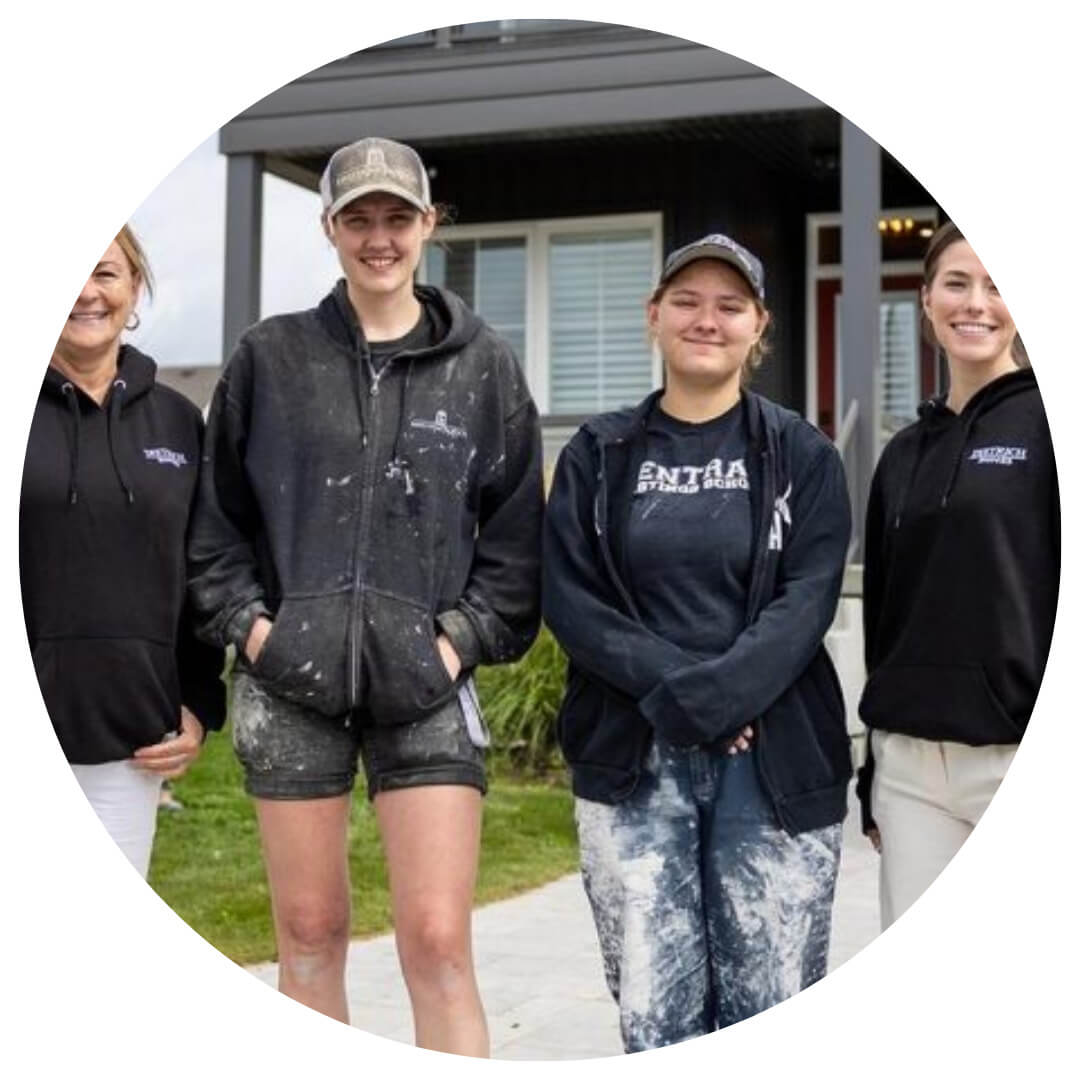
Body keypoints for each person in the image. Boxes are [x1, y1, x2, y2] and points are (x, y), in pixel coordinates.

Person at [187, 136, 543, 1054]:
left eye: (397, 217)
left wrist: (456, 644)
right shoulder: (270, 359)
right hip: (289, 685)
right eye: (359, 219)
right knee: (307, 939)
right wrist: (256, 634)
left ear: (429, 225)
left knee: (437, 943)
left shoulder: (484, 367)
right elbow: (215, 527)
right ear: (330, 229)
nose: (378, 237)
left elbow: (513, 548)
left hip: (425, 688)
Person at [542, 233, 853, 1052]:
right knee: (656, 1016)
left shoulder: (804, 456)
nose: (705, 320)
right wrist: (690, 696)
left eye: (728, 306)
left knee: (773, 1014)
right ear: (653, 317)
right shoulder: (597, 455)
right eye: (686, 301)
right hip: (634, 765)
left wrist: (719, 699)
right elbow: (573, 601)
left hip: (775, 764)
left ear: (759, 327)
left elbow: (808, 598)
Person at [857, 222, 1059, 929]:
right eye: (957, 282)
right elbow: (883, 616)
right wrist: (872, 767)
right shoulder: (903, 455)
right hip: (912, 771)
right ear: (926, 300)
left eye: (998, 285)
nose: (977, 303)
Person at [20, 226, 226, 879]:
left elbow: (201, 573)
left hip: (131, 744)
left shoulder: (176, 422)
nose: (85, 292)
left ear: (134, 286)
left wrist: (198, 704)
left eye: (105, 273)